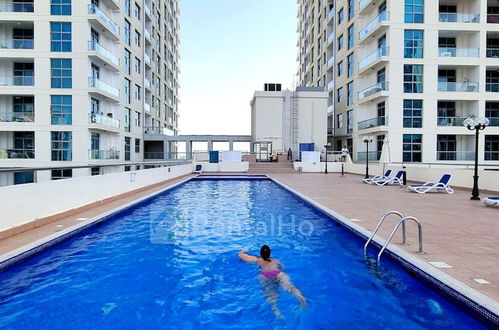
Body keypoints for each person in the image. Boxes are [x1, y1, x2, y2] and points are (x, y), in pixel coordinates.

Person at [239, 245, 306, 317]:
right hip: (278, 274)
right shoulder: (276, 260)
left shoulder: (257, 260)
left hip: (265, 275)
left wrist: (242, 251)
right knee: (290, 287)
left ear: (261, 253)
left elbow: (243, 257)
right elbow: (282, 267)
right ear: (269, 253)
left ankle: (277, 312)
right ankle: (302, 300)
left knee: (271, 295)